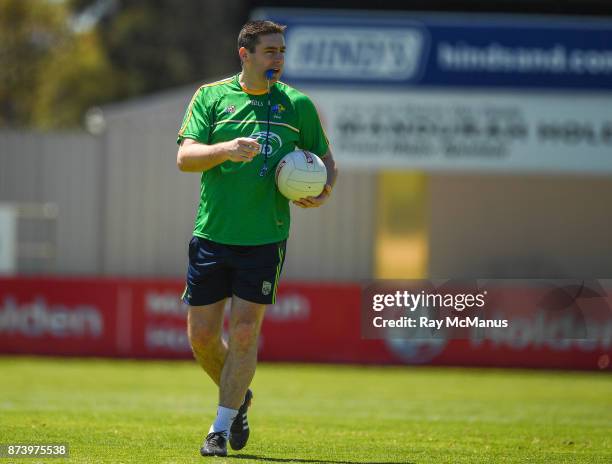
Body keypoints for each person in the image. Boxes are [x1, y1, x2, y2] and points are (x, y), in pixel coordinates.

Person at [175, 20, 338, 457]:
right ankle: (240, 398)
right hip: (213, 234)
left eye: (282, 52)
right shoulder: (210, 97)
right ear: (244, 54)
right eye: (270, 51)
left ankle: (219, 428)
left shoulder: (298, 105)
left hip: (266, 238)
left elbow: (325, 159)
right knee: (202, 338)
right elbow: (185, 158)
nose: (278, 60)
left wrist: (323, 190)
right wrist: (225, 149)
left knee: (245, 333)